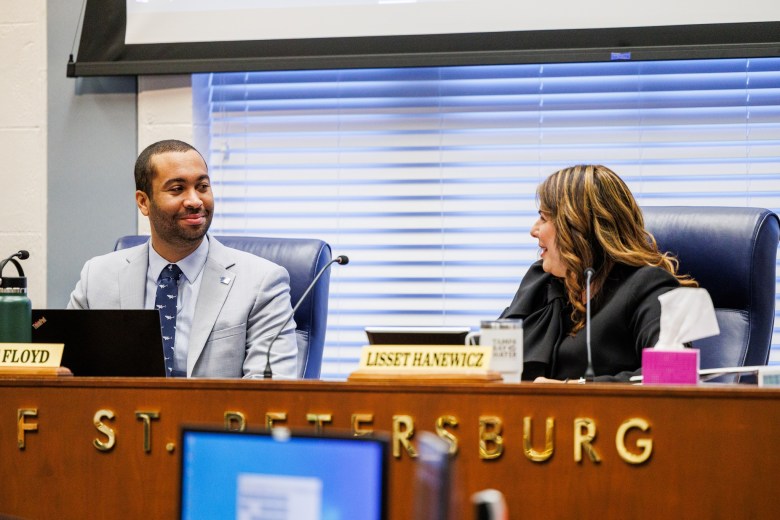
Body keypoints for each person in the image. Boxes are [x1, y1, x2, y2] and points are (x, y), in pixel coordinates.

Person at [68, 139, 298, 379]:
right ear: (143, 202)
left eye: (202, 186)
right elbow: (66, 372)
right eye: (177, 189)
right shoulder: (96, 277)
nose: (195, 201)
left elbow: (270, 392)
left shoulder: (262, 282)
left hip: (213, 416)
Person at [500, 164, 697, 382]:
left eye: (544, 219)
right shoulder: (541, 281)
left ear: (578, 227)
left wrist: (571, 390)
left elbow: (675, 372)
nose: (533, 230)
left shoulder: (648, 285)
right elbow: (493, 360)